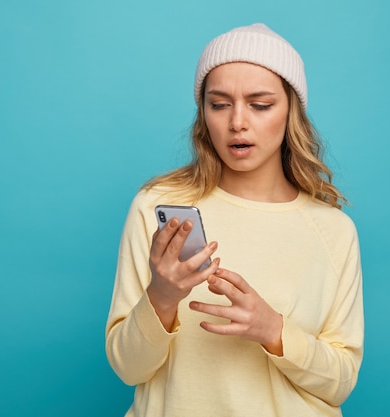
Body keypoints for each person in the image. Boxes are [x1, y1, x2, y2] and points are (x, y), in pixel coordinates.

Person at [105, 23, 364, 417]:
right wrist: (162, 295)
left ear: (292, 111)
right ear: (203, 112)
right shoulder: (157, 206)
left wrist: (274, 330)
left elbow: (341, 383)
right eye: (219, 103)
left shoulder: (333, 230)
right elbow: (128, 368)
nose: (237, 122)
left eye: (260, 105)